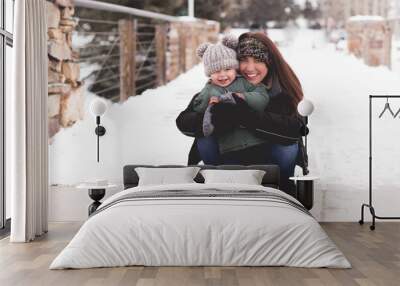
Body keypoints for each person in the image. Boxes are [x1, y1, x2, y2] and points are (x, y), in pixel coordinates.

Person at [176, 32, 308, 197]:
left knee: (287, 145)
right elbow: (184, 120)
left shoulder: (282, 90)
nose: (250, 68)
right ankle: (218, 182)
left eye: (258, 60)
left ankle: (283, 187)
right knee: (205, 135)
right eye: (244, 60)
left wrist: (245, 116)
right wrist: (215, 118)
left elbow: (293, 129)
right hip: (229, 152)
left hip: (269, 156)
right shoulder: (221, 84)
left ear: (270, 63)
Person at [193, 35, 270, 163]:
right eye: (216, 71)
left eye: (228, 69)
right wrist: (209, 101)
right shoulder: (209, 89)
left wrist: (243, 96)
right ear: (209, 74)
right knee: (235, 174)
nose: (222, 75)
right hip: (229, 148)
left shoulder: (245, 83)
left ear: (235, 69)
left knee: (258, 172)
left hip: (256, 142)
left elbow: (262, 98)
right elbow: (197, 107)